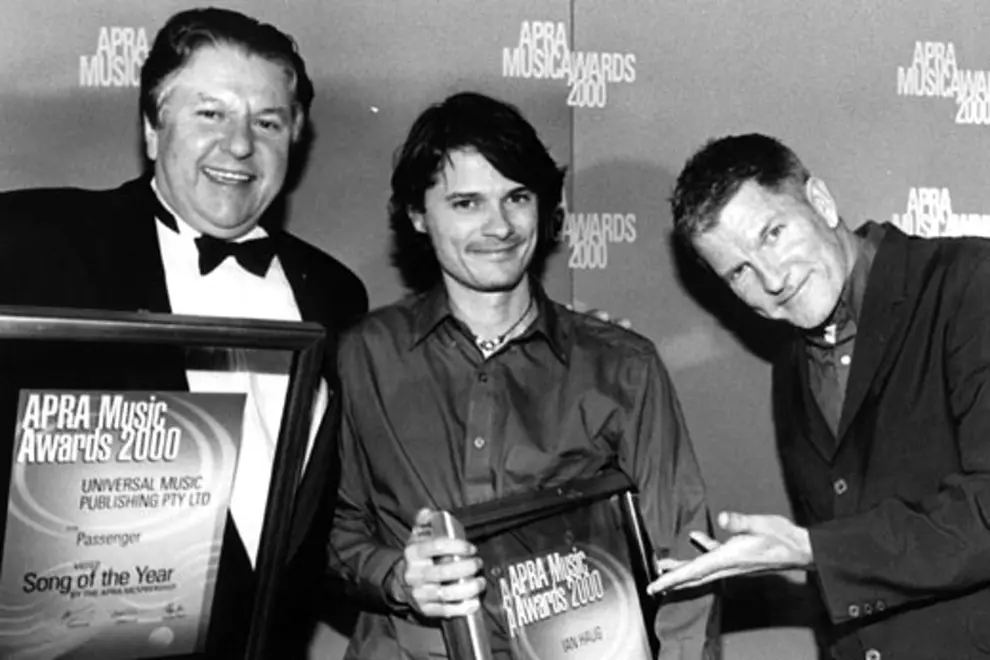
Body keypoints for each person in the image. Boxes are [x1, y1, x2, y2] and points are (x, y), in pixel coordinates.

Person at [0, 7, 366, 658]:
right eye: (210, 113)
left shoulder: (335, 293)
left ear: (296, 138)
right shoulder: (38, 246)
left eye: (268, 121)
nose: (240, 145)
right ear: (151, 126)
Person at [327, 91, 718, 659]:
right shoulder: (362, 355)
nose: (500, 226)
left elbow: (684, 565)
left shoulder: (622, 366)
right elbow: (324, 533)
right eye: (466, 203)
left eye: (517, 197)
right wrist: (396, 576)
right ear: (417, 214)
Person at [650, 132, 990, 659]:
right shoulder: (791, 359)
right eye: (738, 271)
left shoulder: (971, 283)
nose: (773, 279)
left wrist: (811, 550)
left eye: (772, 233)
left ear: (822, 202)